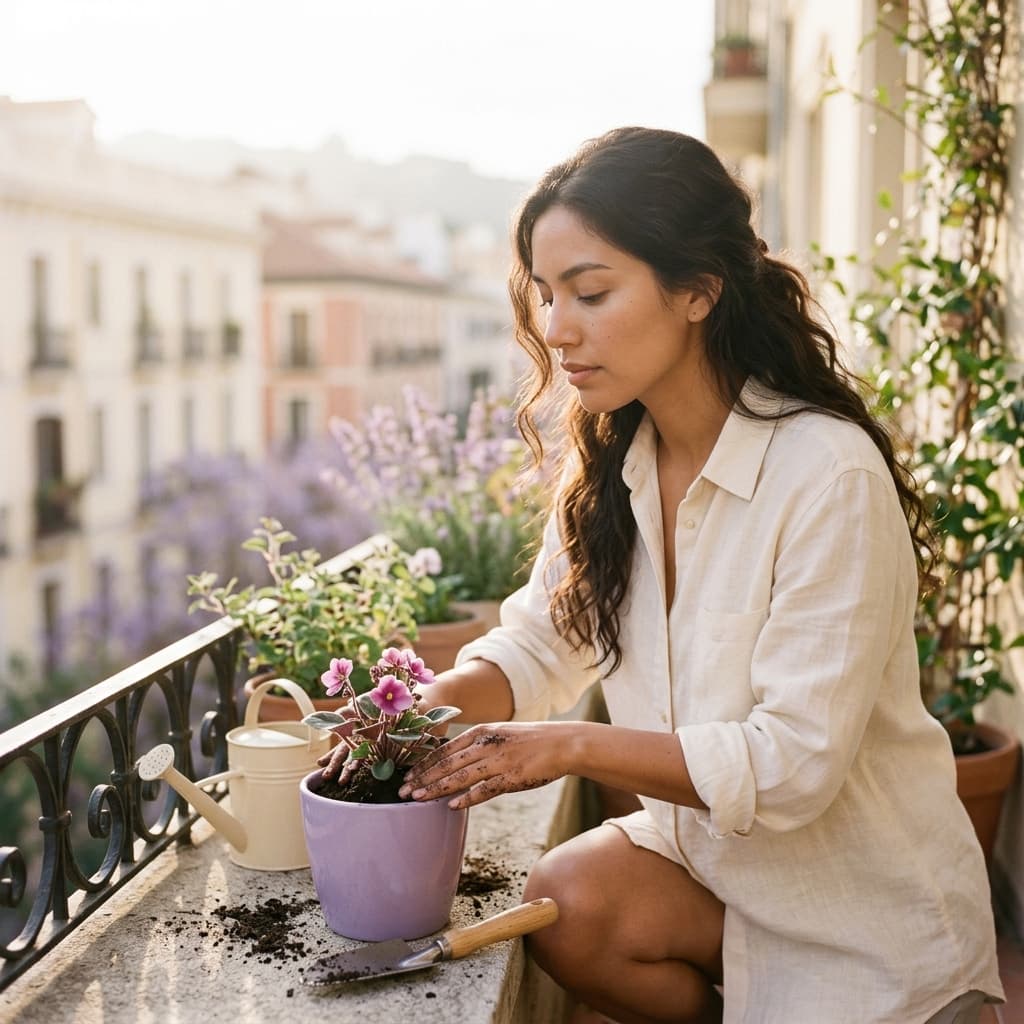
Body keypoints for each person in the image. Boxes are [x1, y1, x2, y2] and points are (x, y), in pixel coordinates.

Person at [320, 127, 1004, 1024]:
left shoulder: (826, 473)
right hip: (721, 875)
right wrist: (404, 720)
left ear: (698, 291)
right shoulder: (615, 462)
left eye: (591, 293)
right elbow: (537, 644)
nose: (558, 331)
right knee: (573, 900)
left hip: (868, 922)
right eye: (546, 294)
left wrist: (569, 745)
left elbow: (795, 764)